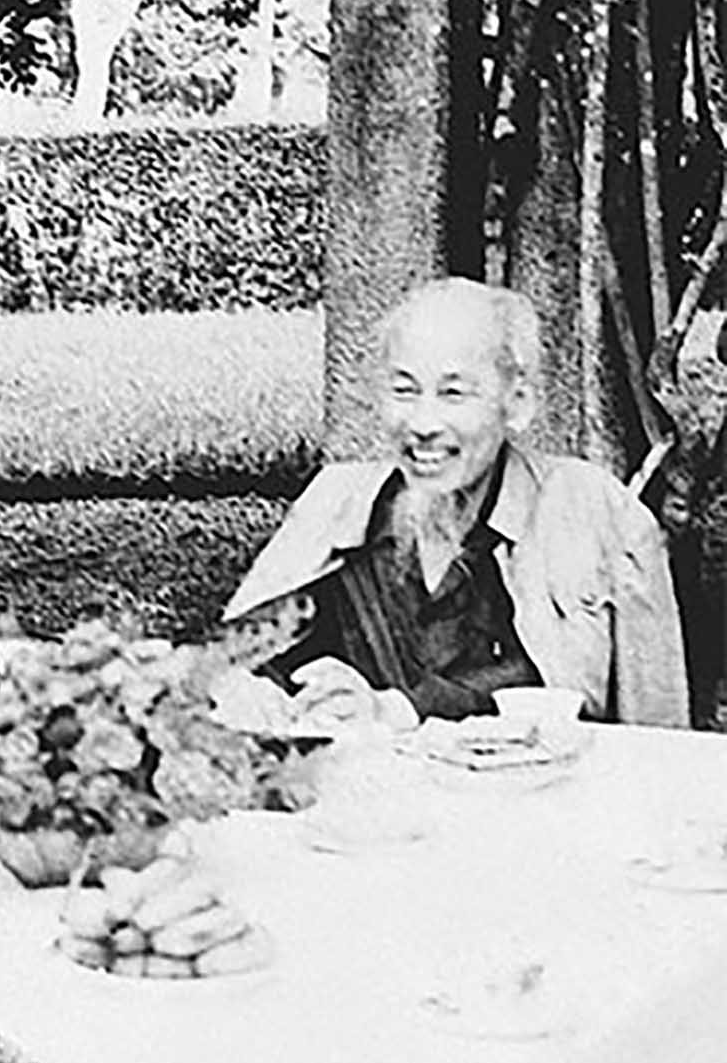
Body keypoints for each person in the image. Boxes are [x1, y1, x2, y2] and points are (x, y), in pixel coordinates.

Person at [222, 277, 688, 728]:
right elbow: (244, 654)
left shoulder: (596, 512)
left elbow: (654, 731)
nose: (424, 424)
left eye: (453, 394)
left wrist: (402, 710)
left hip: (533, 798)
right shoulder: (337, 502)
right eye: (404, 390)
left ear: (518, 403)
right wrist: (253, 691)